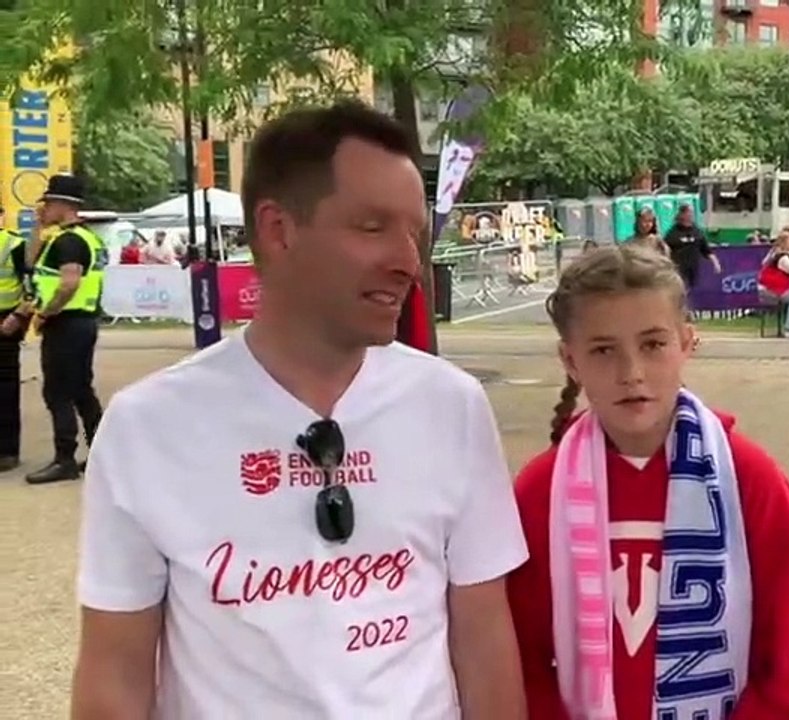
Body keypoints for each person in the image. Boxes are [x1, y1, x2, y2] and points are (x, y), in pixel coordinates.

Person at [71, 102, 528, 718]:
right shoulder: (147, 427)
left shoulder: (453, 407)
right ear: (278, 229)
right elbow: (114, 677)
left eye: (414, 233)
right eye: (373, 227)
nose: (408, 261)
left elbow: (483, 641)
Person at [507, 244, 789, 719]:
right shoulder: (540, 494)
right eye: (602, 350)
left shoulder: (748, 481)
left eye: (653, 344)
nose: (631, 373)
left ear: (687, 342)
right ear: (570, 361)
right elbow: (518, 661)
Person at [25, 175, 106, 485]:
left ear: (63, 205)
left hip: (66, 322)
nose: (43, 208)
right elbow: (31, 263)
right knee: (81, 389)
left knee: (57, 391)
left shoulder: (68, 241)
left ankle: (64, 459)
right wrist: (37, 227)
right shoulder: (83, 237)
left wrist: (47, 312)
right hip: (82, 322)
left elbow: (69, 282)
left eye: (47, 203)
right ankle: (101, 452)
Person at [0, 205, 33, 472]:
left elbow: (32, 287)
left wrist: (19, 317)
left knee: (5, 388)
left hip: (5, 324)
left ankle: (7, 452)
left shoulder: (15, 245)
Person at [662, 203, 720, 294]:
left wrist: (716, 263)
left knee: (692, 292)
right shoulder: (673, 233)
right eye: (688, 213)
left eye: (691, 213)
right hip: (679, 270)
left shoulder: (697, 231)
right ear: (681, 214)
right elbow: (665, 249)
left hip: (693, 269)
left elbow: (706, 250)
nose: (690, 215)